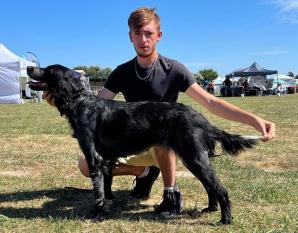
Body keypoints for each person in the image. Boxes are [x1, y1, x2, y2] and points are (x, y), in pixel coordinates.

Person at [44, 7, 275, 217]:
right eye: (138, 34)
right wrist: (63, 101)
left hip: (166, 143)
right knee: (87, 163)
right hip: (133, 141)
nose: (143, 40)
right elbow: (94, 107)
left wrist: (254, 120)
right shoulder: (121, 72)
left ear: (158, 36)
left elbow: (211, 102)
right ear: (130, 37)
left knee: (166, 139)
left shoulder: (174, 69)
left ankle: (172, 195)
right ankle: (143, 173)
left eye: (148, 33)